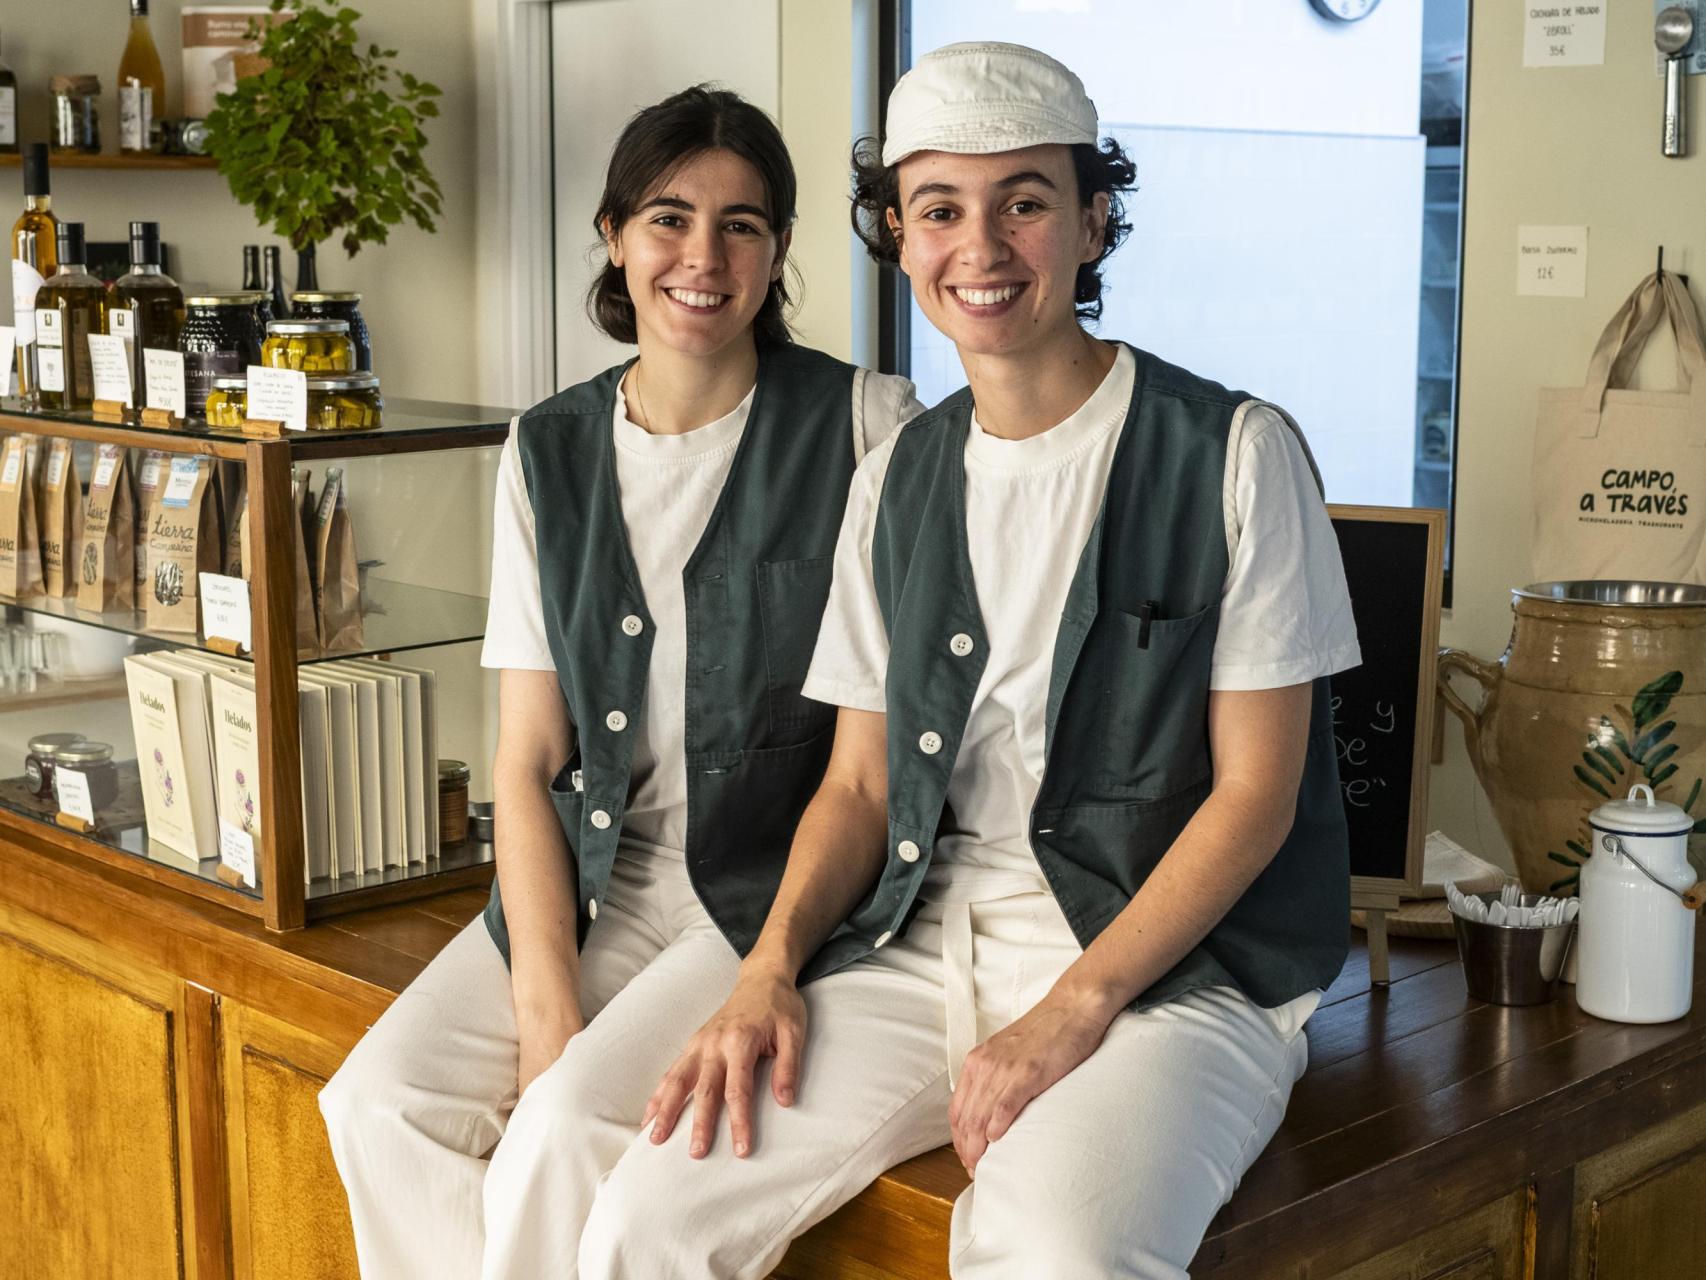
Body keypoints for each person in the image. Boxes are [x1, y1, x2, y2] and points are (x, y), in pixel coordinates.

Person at [581, 43, 1363, 1278]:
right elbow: (857, 786)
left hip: (1176, 974)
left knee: (1053, 1244)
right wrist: (766, 970)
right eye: (940, 208)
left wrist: (1071, 1008)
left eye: (1024, 202)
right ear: (898, 235)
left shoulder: (1233, 451)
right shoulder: (899, 471)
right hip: (925, 936)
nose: (981, 246)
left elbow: (1256, 797)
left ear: (1093, 221)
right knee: (650, 1210)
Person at [317, 84, 921, 1279]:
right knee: (378, 1104)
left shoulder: (866, 422)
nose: (703, 256)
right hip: (602, 875)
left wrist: (562, 1057)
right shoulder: (546, 448)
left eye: (741, 225)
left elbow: (883, 752)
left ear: (778, 249)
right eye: (667, 218)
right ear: (613, 235)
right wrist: (546, 1000)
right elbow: (528, 759)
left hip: (759, 891)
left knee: (560, 1128)